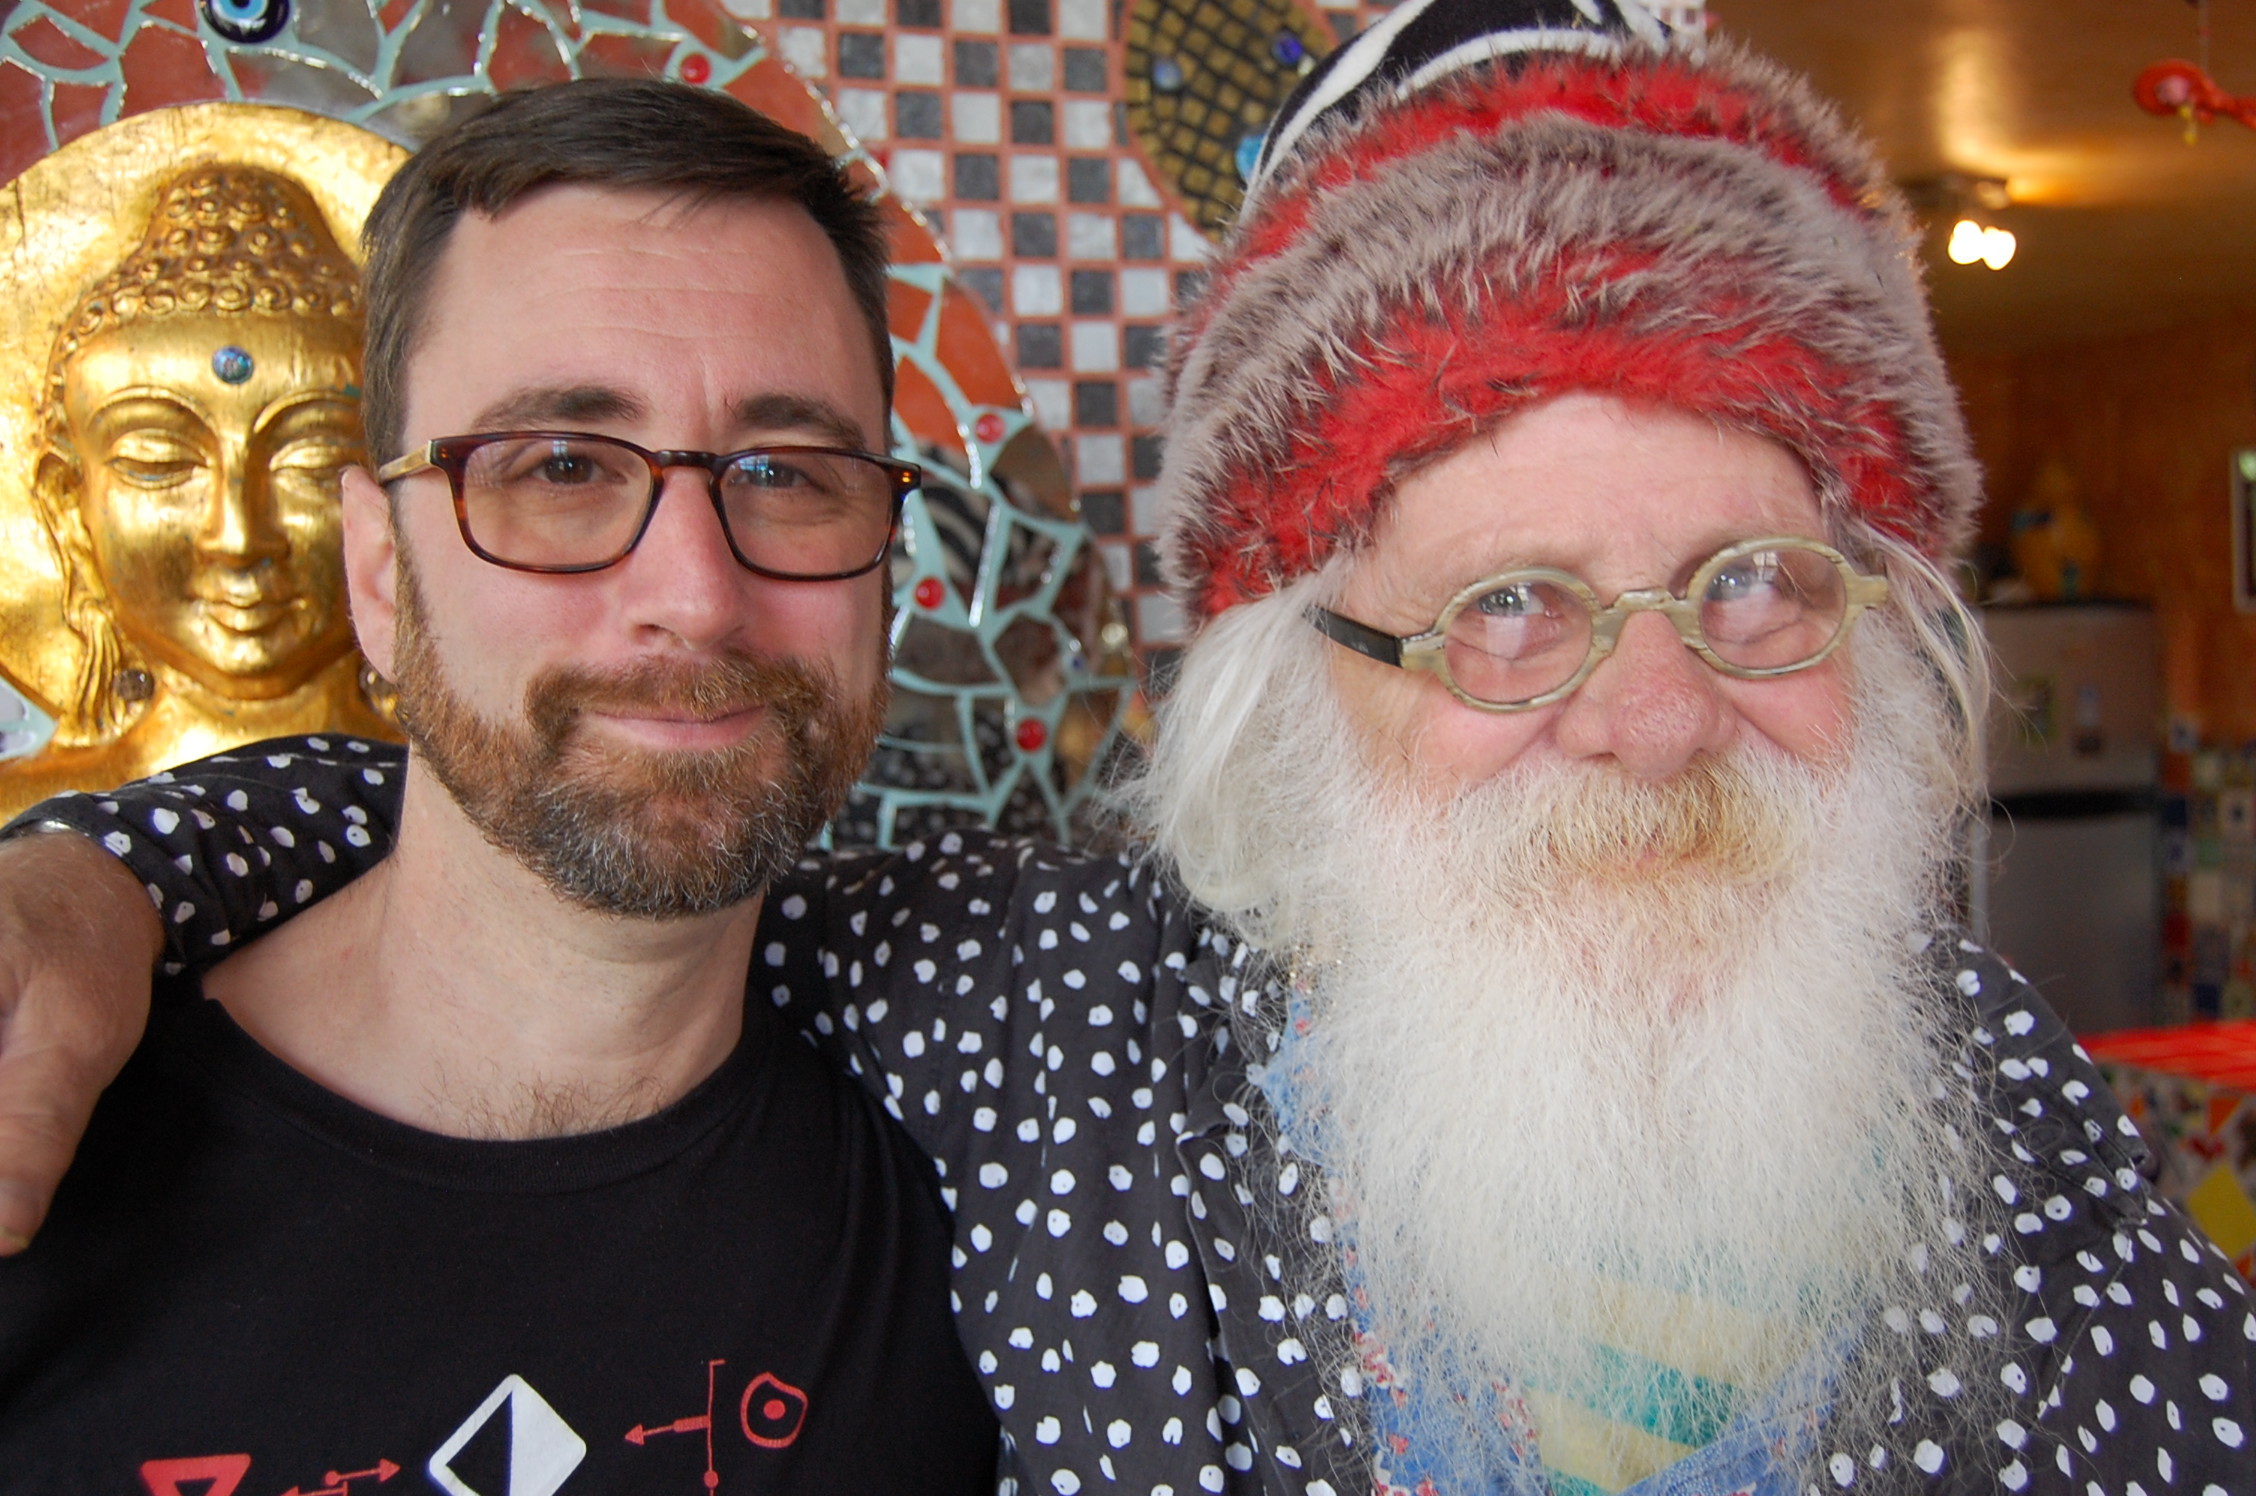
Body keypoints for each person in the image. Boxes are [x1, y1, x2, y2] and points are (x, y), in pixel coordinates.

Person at [2, 7, 2253, 1494]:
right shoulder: (1061, 1015)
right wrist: (107, 877)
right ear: (1304, 692)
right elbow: (596, 817)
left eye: (1753, 581)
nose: (1657, 718)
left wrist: (110, 872)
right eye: (1506, 606)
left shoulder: (1989, 1099)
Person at [0, 79, 997, 1491]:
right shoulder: (44, 1121)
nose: (695, 595)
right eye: (561, 465)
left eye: (788, 473)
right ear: (375, 570)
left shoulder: (982, 1222)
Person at [2, 165, 393, 819]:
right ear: (68, 507)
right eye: (158, 462)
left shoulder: (495, 826)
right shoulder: (20, 830)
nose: (238, 538)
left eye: (316, 463)